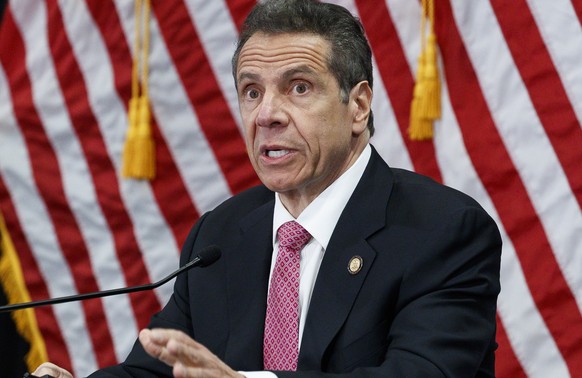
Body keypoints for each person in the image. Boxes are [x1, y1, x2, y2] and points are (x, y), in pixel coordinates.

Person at [33, 0, 501, 377]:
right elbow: (159, 368)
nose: (266, 115)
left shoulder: (442, 231)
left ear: (358, 106)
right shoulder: (221, 234)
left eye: (298, 88)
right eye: (252, 91)